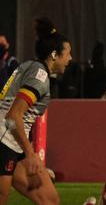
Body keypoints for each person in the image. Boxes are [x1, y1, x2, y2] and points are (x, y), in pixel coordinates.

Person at [0, 18, 72, 205]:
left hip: (14, 142)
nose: (70, 59)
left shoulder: (30, 66)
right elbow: (12, 116)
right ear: (55, 55)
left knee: (50, 200)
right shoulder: (39, 76)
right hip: (4, 140)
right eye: (68, 53)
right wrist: (31, 154)